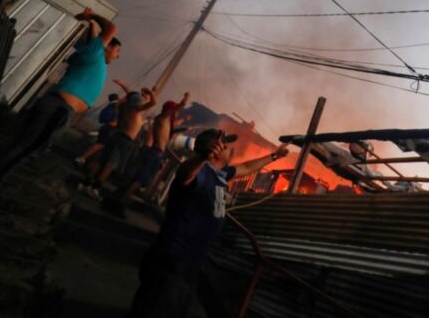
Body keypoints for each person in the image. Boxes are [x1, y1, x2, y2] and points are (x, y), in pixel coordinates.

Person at [128, 129, 288, 317]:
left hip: (190, 262)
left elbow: (246, 168)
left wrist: (274, 156)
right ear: (213, 150)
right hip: (172, 259)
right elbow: (184, 175)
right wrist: (203, 157)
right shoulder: (199, 172)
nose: (230, 149)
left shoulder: (220, 174)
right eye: (225, 146)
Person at [0, 7, 119, 212]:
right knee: (23, 149)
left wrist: (90, 25)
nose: (117, 57)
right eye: (117, 51)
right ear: (106, 46)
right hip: (58, 109)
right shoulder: (95, 52)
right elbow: (111, 27)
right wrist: (91, 18)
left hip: (59, 109)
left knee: (24, 149)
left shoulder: (89, 55)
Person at [114, 92, 191, 215]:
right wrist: (186, 98)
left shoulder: (165, 120)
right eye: (174, 110)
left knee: (136, 179)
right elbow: (179, 107)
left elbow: (172, 127)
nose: (176, 113)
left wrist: (184, 125)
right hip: (154, 154)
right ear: (169, 110)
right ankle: (120, 202)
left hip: (155, 154)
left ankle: (117, 198)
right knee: (138, 180)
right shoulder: (163, 117)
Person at [79, 86, 156, 200]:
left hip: (115, 135)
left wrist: (140, 94)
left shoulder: (122, 107)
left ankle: (85, 183)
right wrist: (150, 93)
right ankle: (95, 188)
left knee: (101, 161)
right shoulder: (136, 110)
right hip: (125, 140)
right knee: (111, 165)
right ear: (137, 103)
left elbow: (131, 97)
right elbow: (153, 103)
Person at [74, 90, 121, 165]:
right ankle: (82, 158)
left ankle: (86, 161)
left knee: (101, 146)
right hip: (109, 129)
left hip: (105, 127)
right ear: (117, 98)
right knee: (100, 145)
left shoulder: (107, 107)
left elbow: (101, 119)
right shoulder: (116, 106)